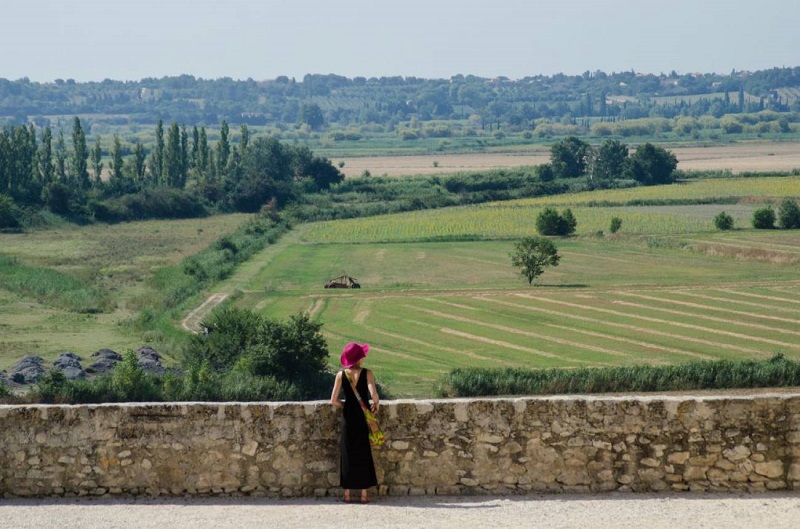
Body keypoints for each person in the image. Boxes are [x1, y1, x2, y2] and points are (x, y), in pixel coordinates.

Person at [330, 342, 379, 503]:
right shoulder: (368, 373)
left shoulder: (340, 375)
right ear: (360, 358)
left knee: (348, 454)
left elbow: (333, 400)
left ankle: (347, 495)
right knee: (363, 453)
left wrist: (345, 405)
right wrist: (375, 404)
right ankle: (364, 495)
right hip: (362, 417)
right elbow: (374, 395)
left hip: (348, 416)